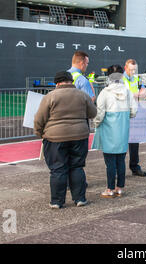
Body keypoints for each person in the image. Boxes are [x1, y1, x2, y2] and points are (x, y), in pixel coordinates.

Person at [34, 71, 97, 209]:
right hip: (79, 136)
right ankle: (80, 198)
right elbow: (93, 113)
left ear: (57, 83)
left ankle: (57, 201)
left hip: (55, 137)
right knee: (77, 166)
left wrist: (39, 133)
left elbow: (39, 118)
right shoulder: (82, 95)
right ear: (71, 81)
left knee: (58, 169)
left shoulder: (50, 96)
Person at [92, 64, 138, 198]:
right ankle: (120, 188)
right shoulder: (128, 91)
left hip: (108, 132)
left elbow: (99, 114)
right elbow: (133, 111)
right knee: (121, 161)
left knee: (110, 162)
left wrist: (96, 123)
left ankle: (110, 188)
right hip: (123, 131)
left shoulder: (105, 93)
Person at [123, 59, 146, 177]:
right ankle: (120, 168)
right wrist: (137, 94)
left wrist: (138, 94)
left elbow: (145, 92)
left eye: (135, 69)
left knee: (134, 141)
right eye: (131, 69)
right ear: (125, 68)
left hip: (134, 113)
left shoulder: (137, 79)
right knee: (121, 141)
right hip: (122, 113)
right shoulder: (120, 79)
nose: (133, 72)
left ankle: (134, 166)